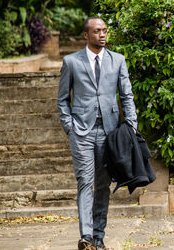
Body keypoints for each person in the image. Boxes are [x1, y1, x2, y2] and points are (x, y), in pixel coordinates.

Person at [57, 17, 137, 250]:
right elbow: (62, 99)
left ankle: (99, 237)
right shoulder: (71, 62)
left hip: (109, 132)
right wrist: (69, 127)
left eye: (104, 31)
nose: (102, 35)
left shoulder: (118, 60)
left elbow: (126, 96)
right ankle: (87, 236)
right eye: (96, 31)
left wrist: (131, 126)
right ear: (86, 35)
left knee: (103, 184)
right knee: (85, 182)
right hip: (81, 131)